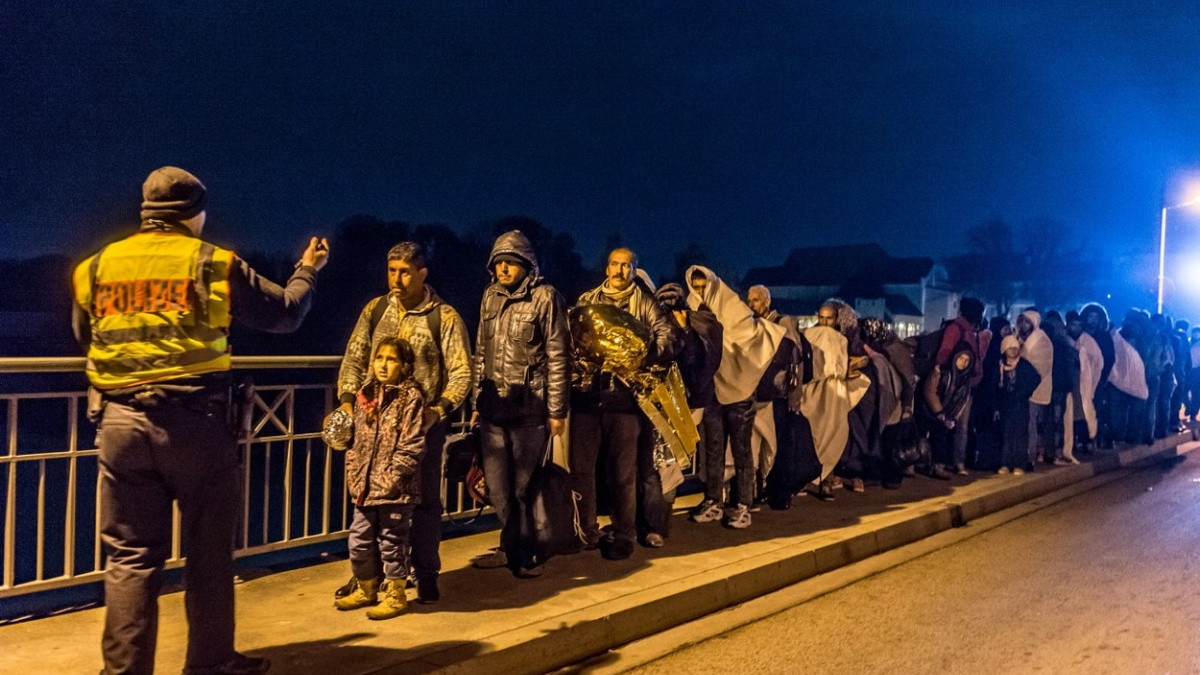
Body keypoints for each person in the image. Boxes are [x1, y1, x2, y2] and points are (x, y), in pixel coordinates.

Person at [73, 166, 328, 675]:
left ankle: (124, 671)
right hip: (196, 423)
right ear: (195, 214)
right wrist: (308, 270)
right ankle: (210, 664)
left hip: (119, 423)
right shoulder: (211, 262)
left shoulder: (96, 266)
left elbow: (86, 334)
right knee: (208, 554)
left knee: (129, 557)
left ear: (148, 213)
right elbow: (285, 314)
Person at [330, 241, 473, 604]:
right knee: (371, 501)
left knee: (422, 503)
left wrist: (437, 410)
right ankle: (370, 578)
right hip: (373, 425)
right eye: (392, 270)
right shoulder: (376, 310)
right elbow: (354, 358)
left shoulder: (445, 317)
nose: (397, 278)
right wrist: (347, 401)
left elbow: (461, 372)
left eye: (405, 271)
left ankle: (425, 574)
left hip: (420, 425)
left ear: (422, 274)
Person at [469, 231, 571, 577]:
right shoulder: (489, 298)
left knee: (524, 488)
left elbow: (559, 357)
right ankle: (511, 545)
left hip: (530, 411)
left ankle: (524, 553)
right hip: (493, 412)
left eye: (511, 263)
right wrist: (475, 401)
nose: (503, 269)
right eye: (499, 263)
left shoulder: (546, 298)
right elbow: (480, 353)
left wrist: (557, 411)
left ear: (527, 265)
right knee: (497, 489)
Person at [569, 248, 681, 560]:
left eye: (627, 266)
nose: (620, 271)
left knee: (623, 473)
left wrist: (641, 357)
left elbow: (669, 337)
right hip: (587, 399)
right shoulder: (588, 300)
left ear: (635, 270)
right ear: (606, 268)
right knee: (581, 470)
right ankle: (586, 532)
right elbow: (570, 338)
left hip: (624, 401)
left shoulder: (646, 303)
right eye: (615, 265)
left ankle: (624, 533)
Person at [685, 267, 785, 529]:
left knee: (742, 451)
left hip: (740, 392)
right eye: (694, 287)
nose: (698, 292)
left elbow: (750, 339)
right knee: (713, 449)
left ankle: (743, 504)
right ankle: (713, 501)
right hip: (713, 391)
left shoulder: (734, 310)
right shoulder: (693, 309)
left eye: (703, 286)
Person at [333, 338, 426, 619]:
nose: (383, 365)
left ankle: (396, 593)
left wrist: (393, 476)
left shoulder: (410, 398)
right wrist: (354, 469)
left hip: (395, 489)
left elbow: (412, 444)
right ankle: (366, 587)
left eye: (392, 359)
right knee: (359, 540)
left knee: (392, 542)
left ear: (405, 365)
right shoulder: (366, 395)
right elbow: (355, 441)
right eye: (379, 358)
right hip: (364, 486)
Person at [935, 298, 985, 474]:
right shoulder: (956, 329)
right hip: (955, 385)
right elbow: (945, 353)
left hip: (967, 385)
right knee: (948, 422)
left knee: (961, 425)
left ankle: (957, 461)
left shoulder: (971, 331)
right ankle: (944, 461)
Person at [918, 342, 976, 477]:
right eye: (961, 358)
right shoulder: (941, 371)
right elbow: (929, 391)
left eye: (967, 360)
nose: (963, 363)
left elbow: (962, 400)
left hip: (944, 413)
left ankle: (938, 466)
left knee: (941, 435)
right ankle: (913, 463)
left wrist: (952, 417)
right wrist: (939, 412)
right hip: (928, 409)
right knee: (921, 434)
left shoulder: (965, 379)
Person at [996, 335, 1042, 474]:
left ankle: (1019, 464)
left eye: (1016, 348)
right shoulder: (1000, 366)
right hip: (1005, 405)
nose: (1013, 350)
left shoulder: (1023, 365)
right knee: (1006, 434)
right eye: (1010, 348)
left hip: (1020, 404)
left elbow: (1036, 378)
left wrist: (1024, 392)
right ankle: (1005, 463)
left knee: (1021, 434)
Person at [1017, 310, 1053, 467]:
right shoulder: (1022, 339)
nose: (1024, 325)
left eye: (1027, 322)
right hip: (1024, 389)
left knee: (1031, 425)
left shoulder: (1041, 341)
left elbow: (1040, 366)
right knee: (1025, 424)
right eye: (1022, 321)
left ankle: (1030, 458)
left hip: (1035, 388)